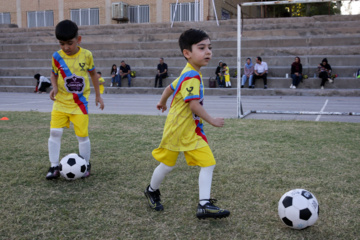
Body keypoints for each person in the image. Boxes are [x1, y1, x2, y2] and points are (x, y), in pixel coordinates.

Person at [144, 28, 230, 220]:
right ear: (187, 53)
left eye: (209, 47)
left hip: (190, 131)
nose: (208, 52)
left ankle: (204, 205)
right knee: (167, 165)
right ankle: (151, 190)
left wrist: (162, 101)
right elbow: (193, 105)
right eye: (202, 48)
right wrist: (212, 120)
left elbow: (169, 87)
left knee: (208, 163)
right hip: (177, 130)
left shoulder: (189, 72)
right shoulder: (191, 76)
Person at [46, 20, 104, 180]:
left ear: (78, 40)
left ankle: (85, 164)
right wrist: (55, 87)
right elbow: (53, 74)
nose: (66, 47)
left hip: (80, 104)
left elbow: (93, 74)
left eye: (69, 43)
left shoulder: (87, 55)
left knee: (82, 136)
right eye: (62, 43)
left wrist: (98, 95)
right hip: (61, 102)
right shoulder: (56, 56)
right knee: (54, 132)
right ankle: (53, 166)